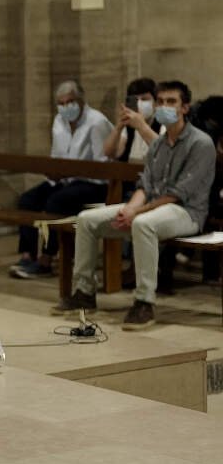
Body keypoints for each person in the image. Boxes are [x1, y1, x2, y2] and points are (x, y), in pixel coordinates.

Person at [53, 81, 215, 329]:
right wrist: (129, 208)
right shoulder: (159, 144)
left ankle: (144, 303)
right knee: (87, 219)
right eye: (160, 102)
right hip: (151, 207)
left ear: (184, 108)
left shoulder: (200, 143)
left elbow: (178, 194)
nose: (163, 107)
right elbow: (145, 184)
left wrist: (136, 212)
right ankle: (84, 293)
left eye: (171, 102)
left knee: (142, 224)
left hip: (187, 212)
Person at [11, 80, 113, 279]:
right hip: (64, 180)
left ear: (81, 101)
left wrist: (70, 172)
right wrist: (53, 170)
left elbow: (103, 165)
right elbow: (57, 155)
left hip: (93, 184)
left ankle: (47, 259)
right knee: (27, 200)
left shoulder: (97, 122)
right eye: (61, 103)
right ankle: (27, 255)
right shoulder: (59, 120)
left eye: (70, 101)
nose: (66, 107)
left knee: (56, 202)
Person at [104, 77, 160, 165]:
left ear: (156, 103)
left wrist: (141, 125)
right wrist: (118, 127)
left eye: (144, 99)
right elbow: (110, 153)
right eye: (136, 100)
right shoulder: (128, 126)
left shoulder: (162, 123)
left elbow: (164, 151)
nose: (139, 103)